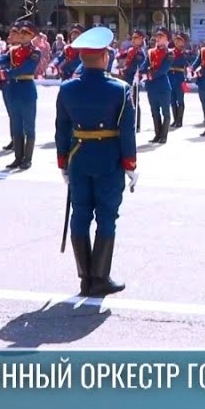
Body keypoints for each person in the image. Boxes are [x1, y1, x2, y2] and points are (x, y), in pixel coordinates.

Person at [55, 26, 137, 297]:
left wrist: (63, 163)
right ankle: (99, 277)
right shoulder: (120, 89)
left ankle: (84, 278)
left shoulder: (67, 89)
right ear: (104, 57)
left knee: (79, 215)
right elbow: (127, 132)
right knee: (106, 217)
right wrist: (131, 165)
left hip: (79, 158)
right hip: (109, 160)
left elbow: (62, 128)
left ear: (82, 59)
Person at [0, 21, 42, 170]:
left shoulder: (35, 52)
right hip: (13, 90)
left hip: (27, 89)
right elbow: (2, 59)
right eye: (21, 33)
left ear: (32, 36)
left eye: (26, 33)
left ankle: (28, 158)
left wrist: (7, 73)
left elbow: (26, 68)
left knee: (29, 126)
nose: (22, 36)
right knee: (16, 124)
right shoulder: (12, 51)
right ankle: (18, 157)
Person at [143, 27, 173, 144]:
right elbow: (145, 65)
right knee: (154, 111)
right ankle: (157, 134)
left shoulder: (169, 53)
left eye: (161, 36)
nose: (158, 38)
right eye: (157, 36)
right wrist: (140, 72)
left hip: (163, 86)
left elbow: (163, 69)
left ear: (167, 39)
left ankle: (164, 135)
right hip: (151, 87)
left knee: (165, 112)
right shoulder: (150, 52)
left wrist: (150, 75)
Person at [117, 30, 147, 132]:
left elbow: (135, 67)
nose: (133, 40)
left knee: (134, 101)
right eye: (133, 38)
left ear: (141, 39)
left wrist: (124, 70)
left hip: (133, 79)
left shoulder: (140, 53)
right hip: (126, 78)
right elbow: (122, 56)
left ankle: (136, 124)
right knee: (126, 101)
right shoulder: (131, 50)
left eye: (136, 38)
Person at [168, 32, 190, 129]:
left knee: (180, 100)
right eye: (176, 40)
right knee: (172, 100)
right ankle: (175, 120)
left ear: (183, 43)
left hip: (179, 78)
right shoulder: (170, 52)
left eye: (180, 40)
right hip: (170, 77)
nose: (177, 42)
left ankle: (179, 120)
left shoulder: (185, 53)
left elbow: (181, 62)